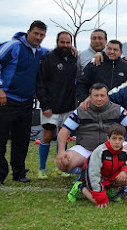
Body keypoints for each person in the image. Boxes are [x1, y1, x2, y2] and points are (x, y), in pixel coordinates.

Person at [0, 20, 49, 186]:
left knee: (21, 140)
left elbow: (56, 56)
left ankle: (19, 172)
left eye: (42, 35)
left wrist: (70, 50)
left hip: (26, 102)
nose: (38, 37)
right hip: (5, 100)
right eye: (35, 33)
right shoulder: (12, 46)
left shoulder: (41, 52)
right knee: (0, 139)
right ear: (28, 32)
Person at [56, 83, 127, 173]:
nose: (99, 99)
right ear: (90, 97)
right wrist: (61, 151)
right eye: (96, 96)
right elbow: (64, 131)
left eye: (102, 95)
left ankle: (117, 170)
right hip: (86, 149)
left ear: (107, 96)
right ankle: (85, 172)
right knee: (63, 163)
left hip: (112, 149)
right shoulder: (81, 111)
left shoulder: (117, 109)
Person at [35, 31, 77, 180]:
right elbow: (40, 84)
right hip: (50, 107)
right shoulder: (48, 59)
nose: (65, 45)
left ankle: (61, 167)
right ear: (57, 42)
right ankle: (42, 169)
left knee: (63, 137)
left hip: (68, 107)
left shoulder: (73, 58)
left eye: (68, 43)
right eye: (62, 42)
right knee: (46, 136)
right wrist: (45, 105)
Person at [67, 124, 127, 208]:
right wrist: (100, 197)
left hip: (107, 178)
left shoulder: (124, 152)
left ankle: (105, 188)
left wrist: (124, 172)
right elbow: (93, 175)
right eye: (114, 138)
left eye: (120, 139)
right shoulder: (100, 151)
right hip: (90, 179)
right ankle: (80, 186)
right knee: (98, 202)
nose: (117, 142)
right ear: (108, 138)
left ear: (124, 140)